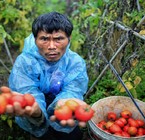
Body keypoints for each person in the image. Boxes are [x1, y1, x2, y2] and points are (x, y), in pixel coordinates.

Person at [6, 11, 89, 140]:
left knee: (71, 135)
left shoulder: (75, 62)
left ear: (69, 39)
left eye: (58, 39)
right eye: (44, 39)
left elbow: (73, 90)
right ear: (35, 39)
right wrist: (37, 112)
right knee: (42, 134)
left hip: (61, 102)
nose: (51, 46)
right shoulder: (25, 62)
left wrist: (65, 102)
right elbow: (27, 91)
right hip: (36, 104)